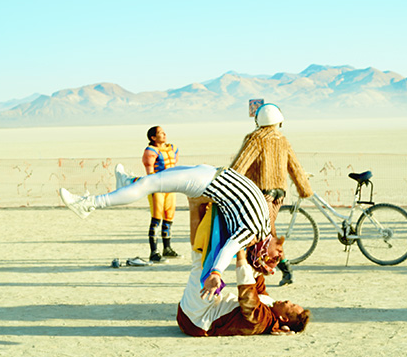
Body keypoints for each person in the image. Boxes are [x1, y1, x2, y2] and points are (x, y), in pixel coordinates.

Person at [59, 164, 281, 285]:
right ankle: (127, 182)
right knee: (159, 178)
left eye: (275, 257)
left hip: (206, 182)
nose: (280, 252)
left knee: (151, 183)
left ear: (260, 254)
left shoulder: (248, 234)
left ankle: (88, 204)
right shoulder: (264, 228)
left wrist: (216, 273)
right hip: (211, 173)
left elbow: (228, 249)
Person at [230, 102, 314, 284]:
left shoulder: (256, 138)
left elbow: (239, 166)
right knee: (268, 232)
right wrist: (304, 189)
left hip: (261, 194)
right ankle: (271, 270)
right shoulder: (282, 139)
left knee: (263, 234)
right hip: (279, 194)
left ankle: (281, 269)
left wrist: (225, 184)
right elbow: (295, 167)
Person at [175, 251, 310, 337]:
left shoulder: (262, 321)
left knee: (201, 265)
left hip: (196, 320)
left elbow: (248, 293)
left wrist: (240, 251)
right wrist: (260, 261)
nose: (287, 301)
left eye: (291, 305)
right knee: (206, 259)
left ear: (284, 319)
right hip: (204, 308)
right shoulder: (271, 305)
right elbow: (258, 285)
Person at [137, 125, 180, 263]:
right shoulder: (150, 151)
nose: (164, 134)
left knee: (169, 217)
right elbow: (150, 171)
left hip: (171, 187)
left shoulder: (172, 148)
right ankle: (154, 252)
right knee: (156, 218)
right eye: (160, 133)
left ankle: (167, 248)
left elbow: (174, 163)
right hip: (158, 188)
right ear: (153, 137)